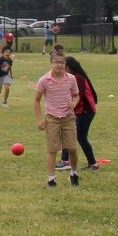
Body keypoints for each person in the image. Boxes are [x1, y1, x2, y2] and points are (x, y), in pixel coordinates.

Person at [33, 51, 78, 188]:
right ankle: (51, 179)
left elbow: (76, 95)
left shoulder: (71, 78)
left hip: (68, 118)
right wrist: (39, 120)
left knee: (72, 148)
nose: (59, 65)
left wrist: (74, 103)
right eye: (56, 62)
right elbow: (36, 100)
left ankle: (74, 174)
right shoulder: (44, 80)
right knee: (52, 150)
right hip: (52, 118)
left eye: (62, 62)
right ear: (51, 63)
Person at [64, 52, 99, 171]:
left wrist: (70, 107)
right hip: (80, 111)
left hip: (86, 112)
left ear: (69, 67)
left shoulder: (78, 77)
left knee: (80, 137)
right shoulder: (75, 77)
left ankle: (93, 164)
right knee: (69, 133)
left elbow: (79, 95)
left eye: (64, 67)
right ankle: (65, 161)